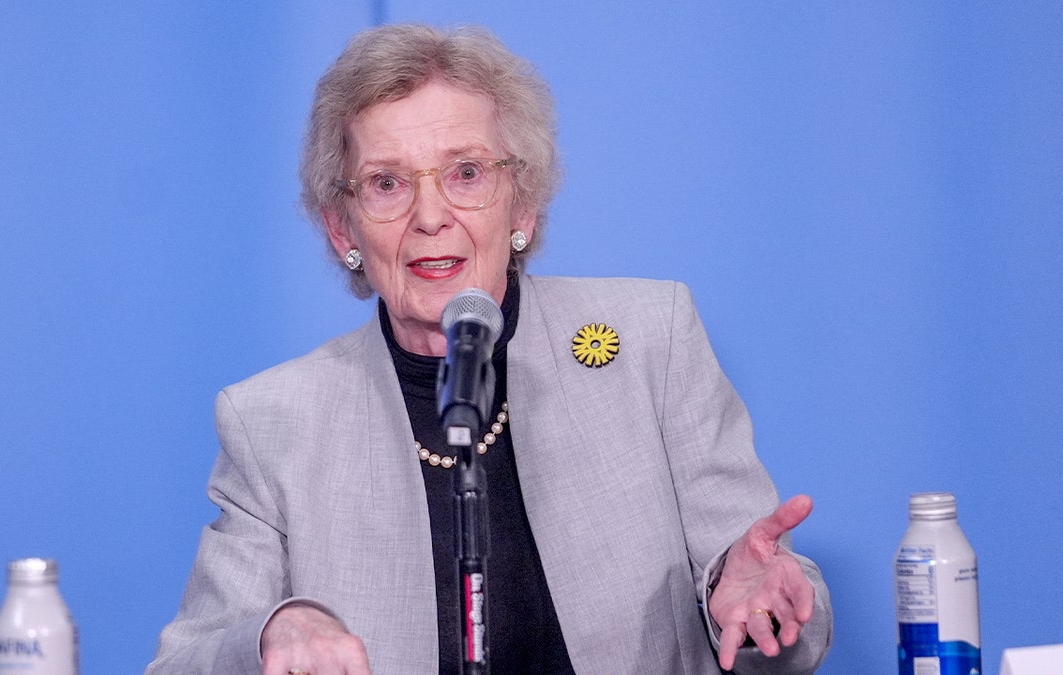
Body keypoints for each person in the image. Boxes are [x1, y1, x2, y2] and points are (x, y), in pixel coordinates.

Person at [148, 23, 832, 675]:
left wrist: (751, 601)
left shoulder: (652, 339)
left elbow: (778, 613)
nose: (430, 214)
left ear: (522, 205)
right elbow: (182, 662)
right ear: (341, 227)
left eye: (466, 172)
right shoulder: (274, 419)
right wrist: (273, 628)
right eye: (387, 183)